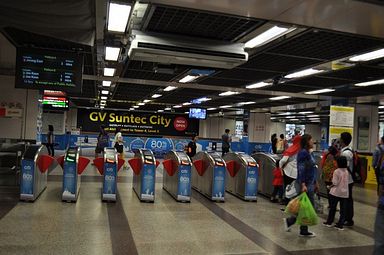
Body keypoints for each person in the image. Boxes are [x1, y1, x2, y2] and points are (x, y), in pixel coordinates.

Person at [284, 134, 318, 237]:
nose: (313, 142)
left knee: (305, 206)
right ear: (307, 141)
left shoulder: (309, 153)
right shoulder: (303, 153)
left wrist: (315, 182)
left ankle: (292, 222)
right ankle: (300, 228)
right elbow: (301, 169)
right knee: (307, 206)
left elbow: (312, 168)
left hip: (310, 183)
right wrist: (303, 184)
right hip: (305, 184)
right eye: (311, 140)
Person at [323, 156, 349, 230]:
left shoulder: (337, 171)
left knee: (333, 208)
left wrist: (329, 187)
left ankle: (329, 222)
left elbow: (335, 182)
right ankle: (340, 224)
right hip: (344, 193)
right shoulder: (346, 171)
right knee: (343, 210)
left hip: (336, 192)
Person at [279, 135, 301, 204]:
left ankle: (286, 201)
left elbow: (282, 161)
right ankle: (294, 202)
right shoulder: (303, 150)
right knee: (295, 188)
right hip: (298, 173)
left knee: (287, 186)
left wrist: (280, 168)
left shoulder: (291, 149)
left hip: (288, 171)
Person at [339, 132, 354, 227]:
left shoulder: (346, 153)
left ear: (343, 140)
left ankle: (347, 218)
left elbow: (343, 167)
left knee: (345, 200)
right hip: (349, 180)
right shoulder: (349, 150)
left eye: (340, 138)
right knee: (347, 200)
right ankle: (347, 218)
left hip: (346, 180)